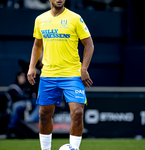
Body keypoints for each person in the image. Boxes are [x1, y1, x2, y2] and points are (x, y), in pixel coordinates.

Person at [27, 0, 94, 149]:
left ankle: (74, 148)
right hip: (48, 75)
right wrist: (31, 67)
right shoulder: (40, 19)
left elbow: (89, 44)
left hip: (72, 74)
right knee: (44, 115)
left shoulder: (75, 18)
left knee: (77, 113)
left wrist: (84, 69)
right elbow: (37, 45)